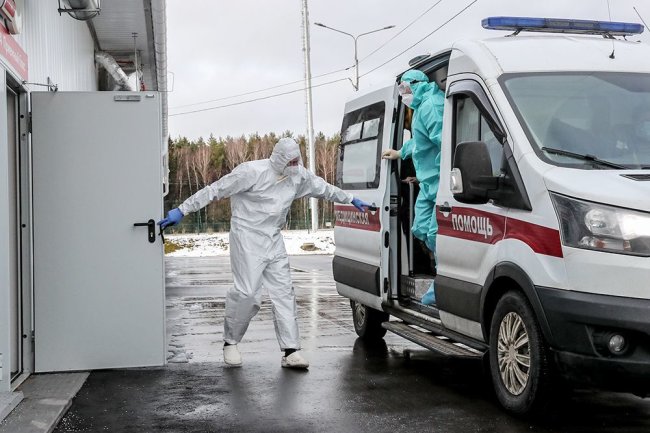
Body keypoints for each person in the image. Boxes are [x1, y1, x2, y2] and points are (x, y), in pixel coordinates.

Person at [159, 137, 371, 369]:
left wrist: (350, 199)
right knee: (248, 293)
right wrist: (182, 209)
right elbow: (215, 190)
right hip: (246, 236)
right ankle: (231, 342)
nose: (294, 165)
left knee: (284, 292)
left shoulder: (298, 176)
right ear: (279, 158)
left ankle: (291, 350)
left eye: (296, 160)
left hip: (273, 238)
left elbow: (323, 188)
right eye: (290, 161)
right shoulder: (251, 172)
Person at [382, 68, 446, 305]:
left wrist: (442, 176)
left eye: (407, 89)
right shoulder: (420, 109)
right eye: (401, 90)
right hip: (429, 184)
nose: (404, 94)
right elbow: (420, 144)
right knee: (420, 228)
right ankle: (440, 275)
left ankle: (440, 288)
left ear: (419, 84)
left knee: (435, 235)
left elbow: (444, 144)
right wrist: (400, 152)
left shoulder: (432, 106)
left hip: (440, 184)